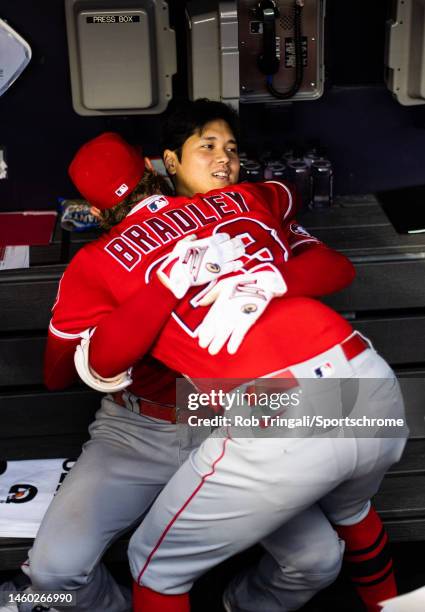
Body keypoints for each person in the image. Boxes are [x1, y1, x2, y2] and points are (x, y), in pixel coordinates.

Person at [27, 100, 404, 612]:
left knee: (317, 559)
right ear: (161, 166)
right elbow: (60, 373)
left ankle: (239, 605)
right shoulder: (102, 263)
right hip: (140, 430)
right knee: (51, 573)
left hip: (232, 413)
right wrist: (145, 306)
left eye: (228, 148)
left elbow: (322, 252)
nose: (221, 159)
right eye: (206, 147)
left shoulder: (238, 207)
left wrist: (270, 278)